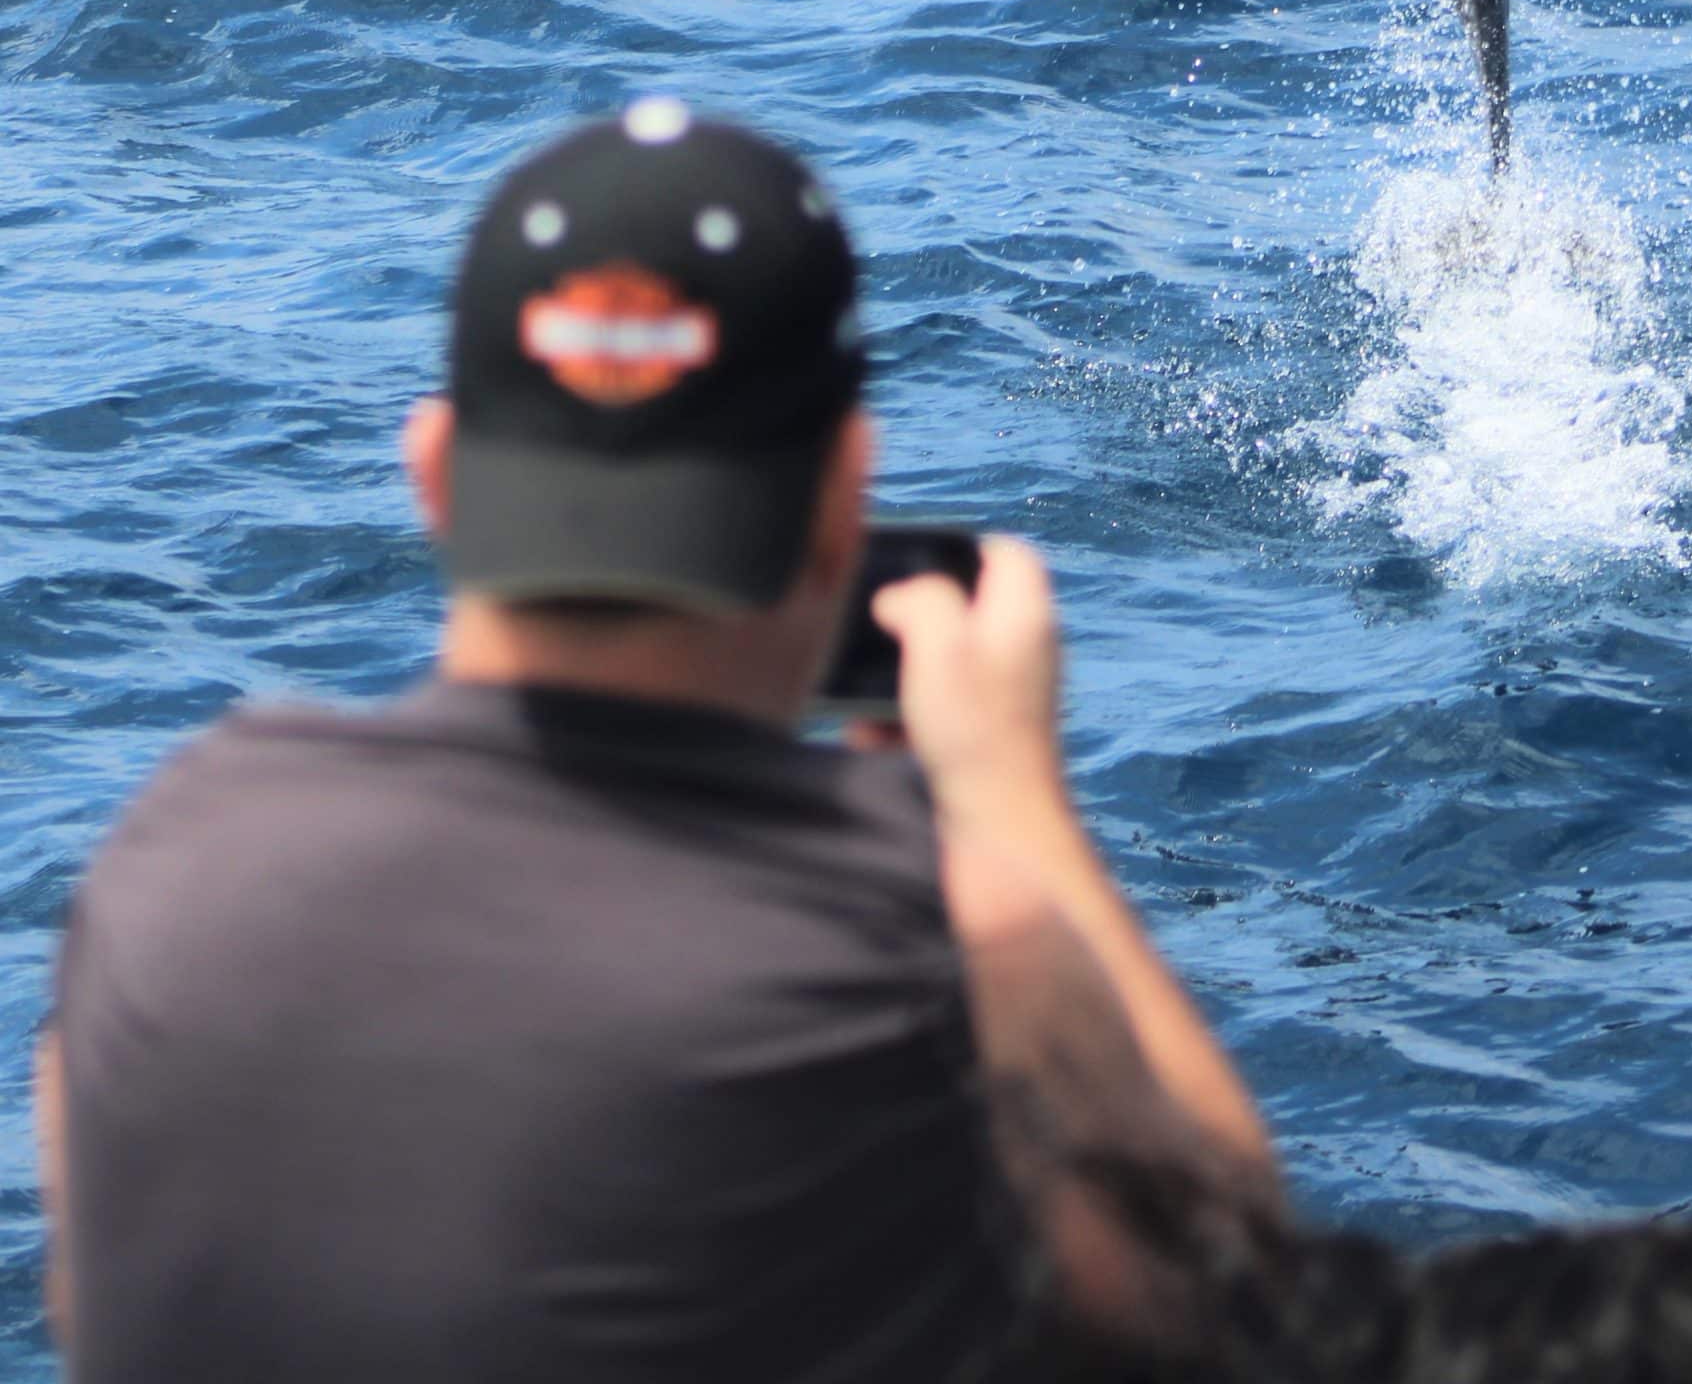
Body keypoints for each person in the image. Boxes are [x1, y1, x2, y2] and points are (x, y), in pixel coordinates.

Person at [38, 101, 1285, 1383]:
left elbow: (99, 1299)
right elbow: (1242, 1316)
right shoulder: (936, 931)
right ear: (843, 496)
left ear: (433, 473)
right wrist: (1011, 800)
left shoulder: (168, 858)